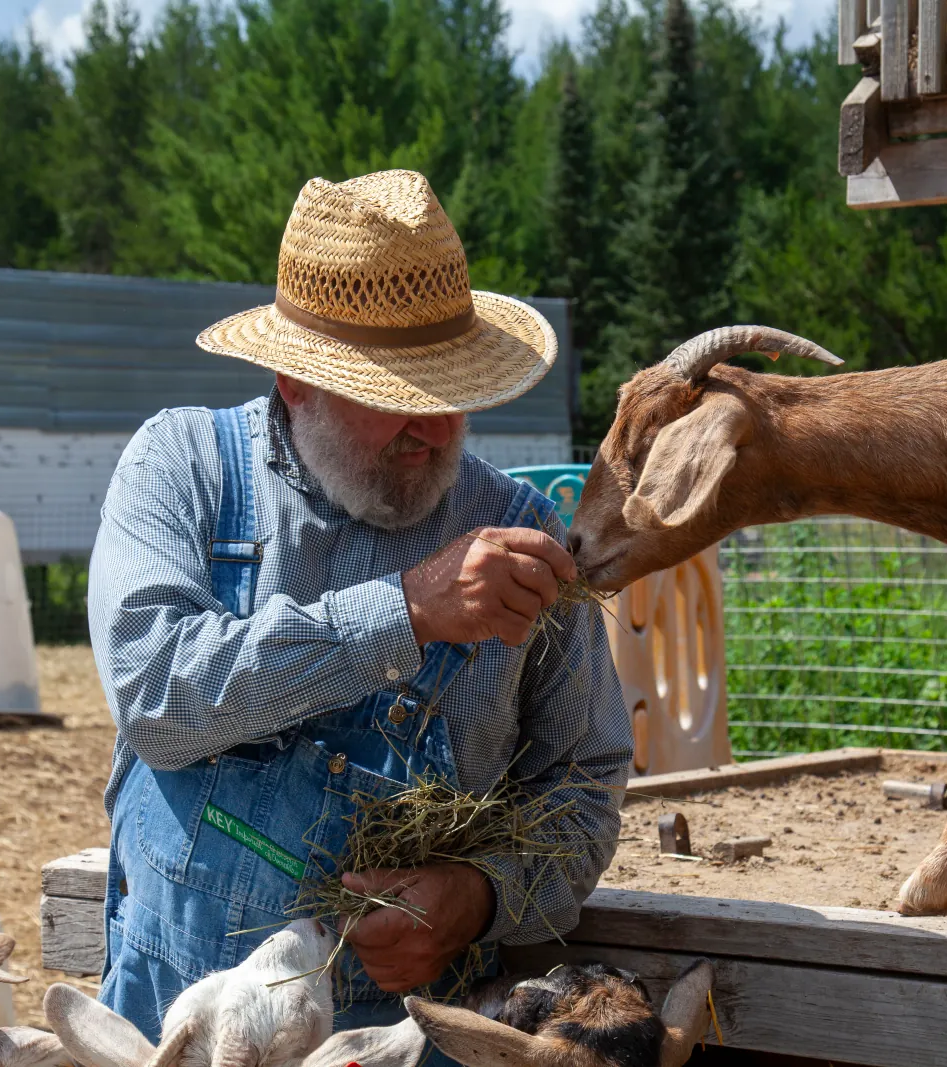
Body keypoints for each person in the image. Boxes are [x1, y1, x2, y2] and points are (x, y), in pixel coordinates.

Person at [87, 169, 630, 1045]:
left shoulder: (525, 540)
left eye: (451, 389)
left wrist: (481, 894)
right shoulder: (183, 467)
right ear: (294, 380)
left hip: (402, 1041)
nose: (433, 427)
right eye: (393, 397)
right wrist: (405, 610)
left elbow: (584, 790)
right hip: (173, 1034)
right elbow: (156, 700)